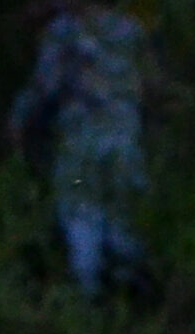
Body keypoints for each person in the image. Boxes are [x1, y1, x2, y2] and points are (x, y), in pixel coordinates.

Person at [10, 3, 151, 297]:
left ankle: (88, 302)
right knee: (123, 220)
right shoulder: (130, 29)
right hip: (126, 141)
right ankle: (132, 301)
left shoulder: (64, 32)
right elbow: (149, 86)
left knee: (81, 216)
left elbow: (45, 86)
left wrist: (18, 122)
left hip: (81, 141)